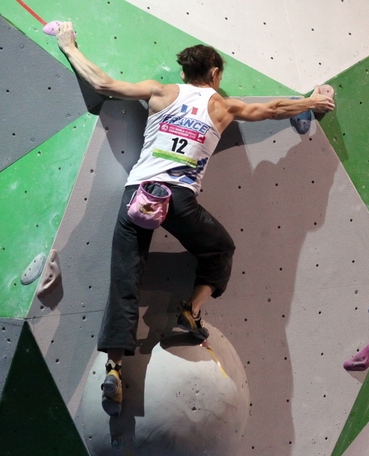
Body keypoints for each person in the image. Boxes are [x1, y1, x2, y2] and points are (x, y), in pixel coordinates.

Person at [56, 22, 335, 415]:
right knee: (220, 249)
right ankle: (191, 310)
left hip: (137, 194)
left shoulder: (160, 91)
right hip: (178, 199)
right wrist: (311, 101)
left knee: (125, 279)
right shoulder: (221, 106)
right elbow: (273, 109)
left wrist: (68, 45)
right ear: (216, 74)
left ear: (185, 72)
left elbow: (103, 84)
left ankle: (115, 368)